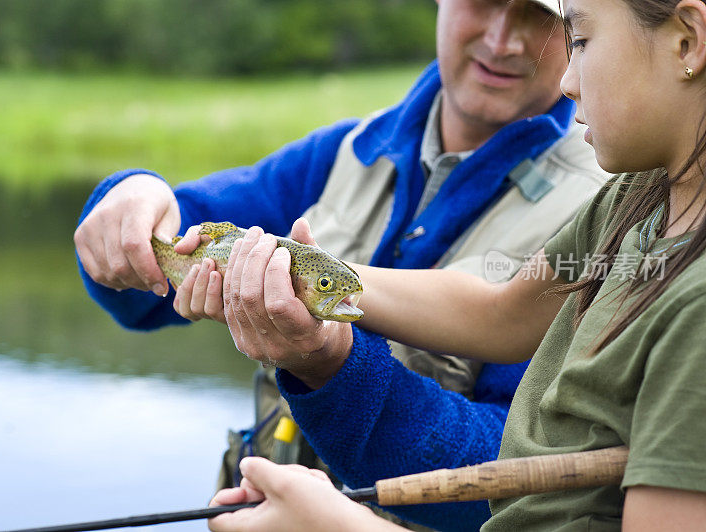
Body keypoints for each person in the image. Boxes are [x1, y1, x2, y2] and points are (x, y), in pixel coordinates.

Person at [74, 0, 607, 529]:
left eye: (536, 16)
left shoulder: (606, 215)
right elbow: (157, 272)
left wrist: (330, 365)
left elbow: (519, 476)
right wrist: (131, 198)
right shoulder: (346, 149)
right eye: (483, 2)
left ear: (577, 25)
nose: (501, 39)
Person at [205, 0, 706, 529]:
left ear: (687, 41)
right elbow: (500, 314)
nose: (567, 81)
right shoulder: (637, 198)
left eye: (579, 40)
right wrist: (305, 280)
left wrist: (343, 525)